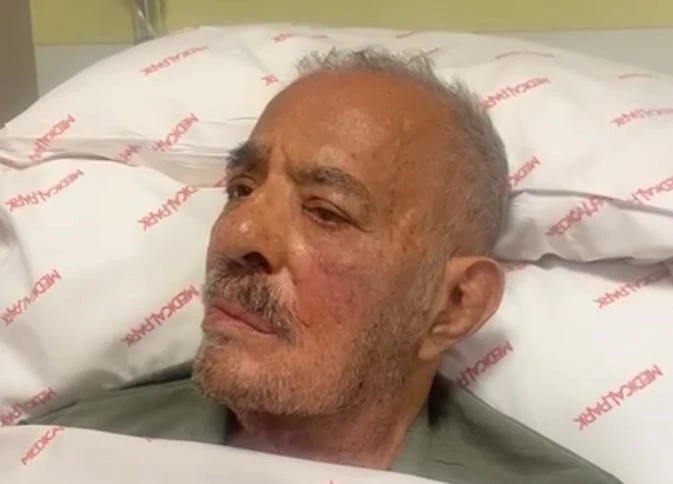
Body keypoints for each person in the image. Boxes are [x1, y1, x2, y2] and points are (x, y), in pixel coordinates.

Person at [24, 48, 622, 484]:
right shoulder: (58, 455)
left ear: (453, 306)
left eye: (325, 212)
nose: (238, 234)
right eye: (240, 189)